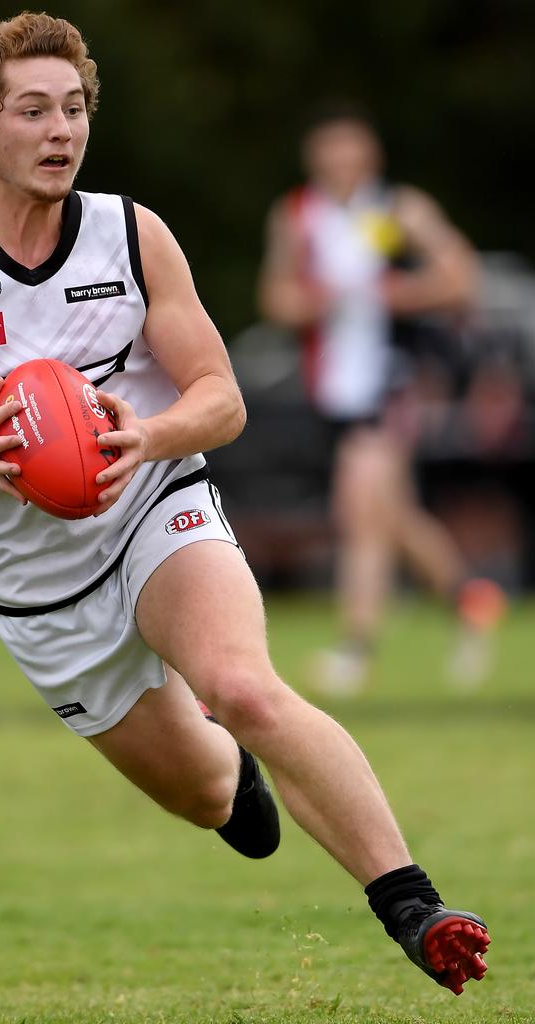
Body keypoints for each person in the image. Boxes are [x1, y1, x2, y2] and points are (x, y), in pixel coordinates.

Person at [0, 15, 489, 997]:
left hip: (154, 508)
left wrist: (148, 436)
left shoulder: (132, 235)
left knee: (245, 684)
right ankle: (232, 778)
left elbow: (219, 397)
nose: (63, 130)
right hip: (37, 589)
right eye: (33, 111)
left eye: (75, 108)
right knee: (204, 789)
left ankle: (415, 906)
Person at [257, 105, 506, 694]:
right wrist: (327, 300)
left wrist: (392, 292)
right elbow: (276, 299)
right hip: (333, 392)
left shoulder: (398, 209)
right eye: (330, 149)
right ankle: (472, 602)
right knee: (391, 516)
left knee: (359, 511)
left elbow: (461, 276)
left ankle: (356, 650)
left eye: (352, 148)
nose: (341, 161)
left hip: (391, 384)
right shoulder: (297, 216)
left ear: (370, 154)